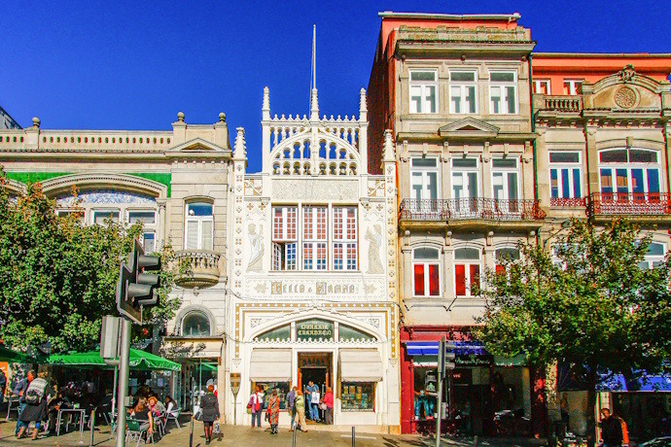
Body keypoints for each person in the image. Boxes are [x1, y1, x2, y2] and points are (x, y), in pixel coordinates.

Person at [17, 371, 49, 440]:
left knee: (26, 419)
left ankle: (20, 433)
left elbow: (27, 391)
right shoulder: (45, 383)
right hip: (39, 402)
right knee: (38, 419)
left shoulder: (33, 381)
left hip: (30, 401)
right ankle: (34, 435)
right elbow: (47, 393)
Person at [14, 370, 34, 436]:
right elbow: (15, 390)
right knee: (22, 415)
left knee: (28, 416)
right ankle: (18, 430)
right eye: (32, 376)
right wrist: (19, 393)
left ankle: (23, 431)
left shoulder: (33, 383)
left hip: (31, 401)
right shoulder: (23, 382)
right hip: (24, 401)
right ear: (28, 375)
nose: (33, 378)